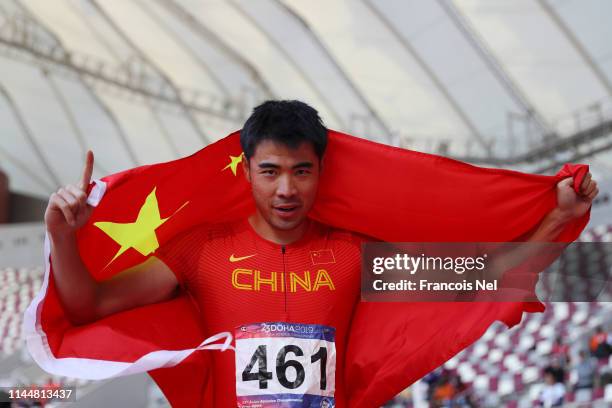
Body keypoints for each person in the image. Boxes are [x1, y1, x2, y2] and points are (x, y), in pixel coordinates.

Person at [44, 100, 600, 406]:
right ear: (249, 176)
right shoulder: (199, 251)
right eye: (271, 172)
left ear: (319, 174)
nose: (287, 189)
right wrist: (63, 236)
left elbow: (485, 276)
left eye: (301, 171)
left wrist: (558, 217)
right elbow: (90, 305)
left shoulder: (352, 256)